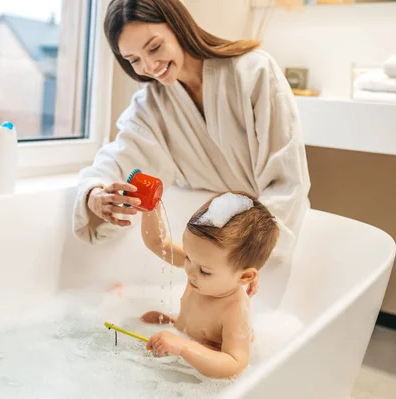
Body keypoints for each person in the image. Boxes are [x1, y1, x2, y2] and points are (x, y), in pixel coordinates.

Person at [72, 0, 310, 309]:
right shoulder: (150, 106)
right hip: (202, 243)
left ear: (177, 25)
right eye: (134, 60)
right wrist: (95, 194)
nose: (149, 67)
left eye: (155, 48)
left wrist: (249, 251)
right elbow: (116, 161)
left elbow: (287, 179)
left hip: (258, 243)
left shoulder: (254, 72)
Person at [141, 192, 279, 378]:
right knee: (145, 319)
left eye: (204, 271)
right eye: (188, 257)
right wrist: (150, 206)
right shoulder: (202, 263)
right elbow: (159, 243)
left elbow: (235, 364)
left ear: (244, 276)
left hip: (209, 363)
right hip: (184, 336)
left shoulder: (235, 309)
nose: (189, 270)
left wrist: (184, 347)